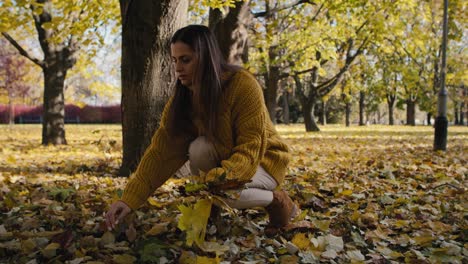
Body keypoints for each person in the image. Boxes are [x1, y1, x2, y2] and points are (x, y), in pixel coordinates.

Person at [106, 25, 297, 234]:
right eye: (175, 60)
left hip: (264, 161)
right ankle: (212, 213)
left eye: (185, 60)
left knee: (225, 195)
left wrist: (218, 181)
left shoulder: (243, 85)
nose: (178, 68)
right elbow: (160, 154)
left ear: (206, 57)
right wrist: (129, 199)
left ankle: (278, 201)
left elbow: (251, 147)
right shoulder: (182, 100)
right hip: (225, 163)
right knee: (198, 147)